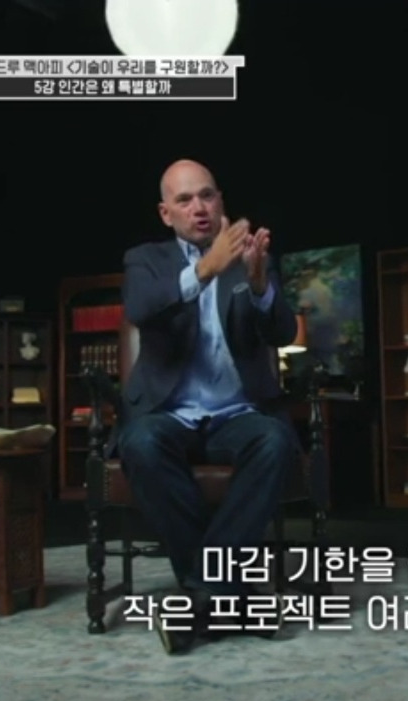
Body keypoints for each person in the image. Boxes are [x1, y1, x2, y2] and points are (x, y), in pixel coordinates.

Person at [118, 159, 300, 654]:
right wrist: (206, 269)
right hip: (168, 414)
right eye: (184, 200)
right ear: (166, 213)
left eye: (207, 195)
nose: (199, 207)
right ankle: (234, 597)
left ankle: (200, 596)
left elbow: (282, 332)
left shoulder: (250, 256)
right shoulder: (145, 259)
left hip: (234, 414)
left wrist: (259, 286)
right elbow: (141, 308)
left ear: (221, 201)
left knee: (275, 440)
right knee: (141, 443)